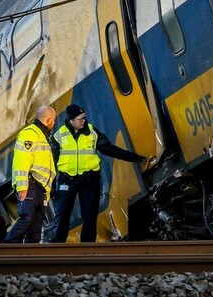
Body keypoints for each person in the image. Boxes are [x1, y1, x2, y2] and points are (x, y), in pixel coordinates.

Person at [49, 103, 145, 243]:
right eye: (80, 119)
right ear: (71, 121)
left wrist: (134, 157)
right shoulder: (59, 136)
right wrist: (51, 188)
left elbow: (109, 149)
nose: (83, 120)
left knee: (89, 216)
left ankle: (87, 248)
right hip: (67, 181)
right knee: (62, 214)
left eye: (84, 118)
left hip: (89, 180)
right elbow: (52, 164)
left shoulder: (92, 132)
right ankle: (58, 247)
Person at [3, 105, 57, 243]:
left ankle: (29, 257)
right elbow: (21, 160)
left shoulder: (41, 136)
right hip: (30, 186)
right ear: (49, 120)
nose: (54, 124)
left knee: (35, 228)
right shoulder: (30, 133)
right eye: (54, 120)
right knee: (27, 217)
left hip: (40, 189)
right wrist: (22, 186)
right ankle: (7, 247)